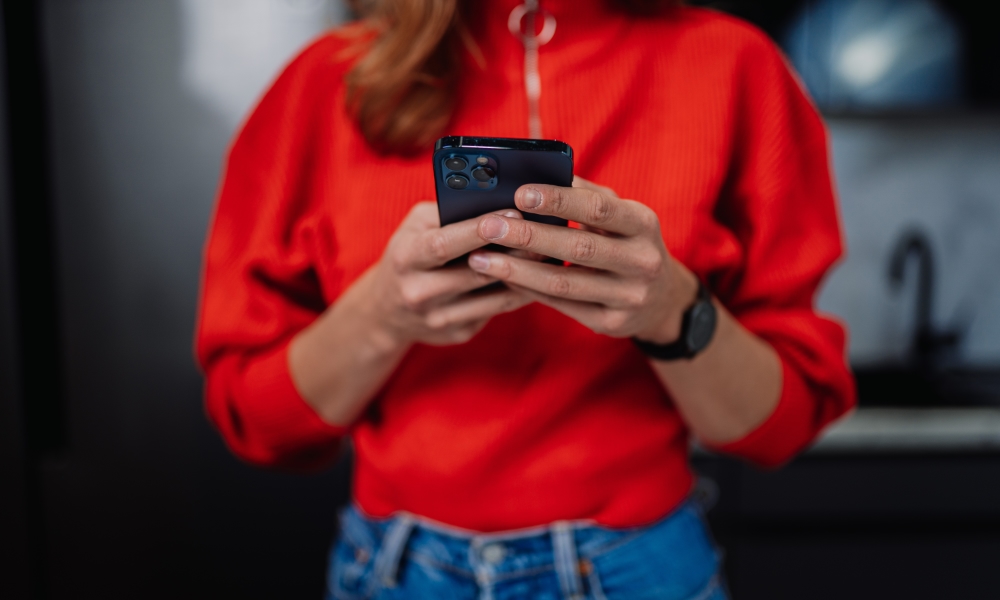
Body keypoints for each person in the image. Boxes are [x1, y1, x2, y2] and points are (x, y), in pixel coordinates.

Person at [195, 0, 855, 598]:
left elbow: (782, 422)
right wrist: (380, 315)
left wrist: (673, 311)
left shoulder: (735, 67)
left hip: (641, 567)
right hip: (398, 573)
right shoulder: (323, 82)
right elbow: (256, 421)